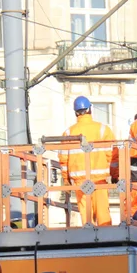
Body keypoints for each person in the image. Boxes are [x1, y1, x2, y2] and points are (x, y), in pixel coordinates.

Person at [59, 96, 116, 227]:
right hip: (99, 181)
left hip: (80, 181)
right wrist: (115, 174)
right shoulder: (103, 129)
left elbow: (63, 159)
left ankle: (88, 235)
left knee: (86, 216)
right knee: (103, 215)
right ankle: (106, 238)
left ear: (75, 112)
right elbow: (112, 155)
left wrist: (66, 180)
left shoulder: (68, 132)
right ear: (90, 109)